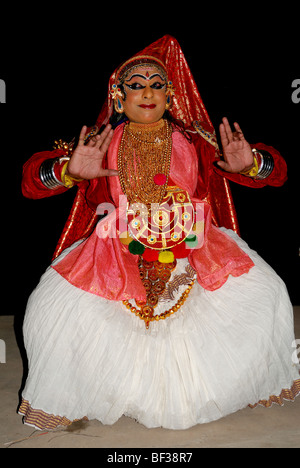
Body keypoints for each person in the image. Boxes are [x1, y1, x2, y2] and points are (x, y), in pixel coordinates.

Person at [19, 35, 299, 430]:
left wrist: (250, 164)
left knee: (265, 293)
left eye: (157, 85)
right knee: (52, 311)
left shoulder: (196, 142)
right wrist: (68, 171)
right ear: (119, 97)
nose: (147, 93)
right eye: (136, 85)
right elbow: (31, 182)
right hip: (114, 250)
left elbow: (279, 173)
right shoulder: (98, 143)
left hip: (193, 246)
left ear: (170, 97)